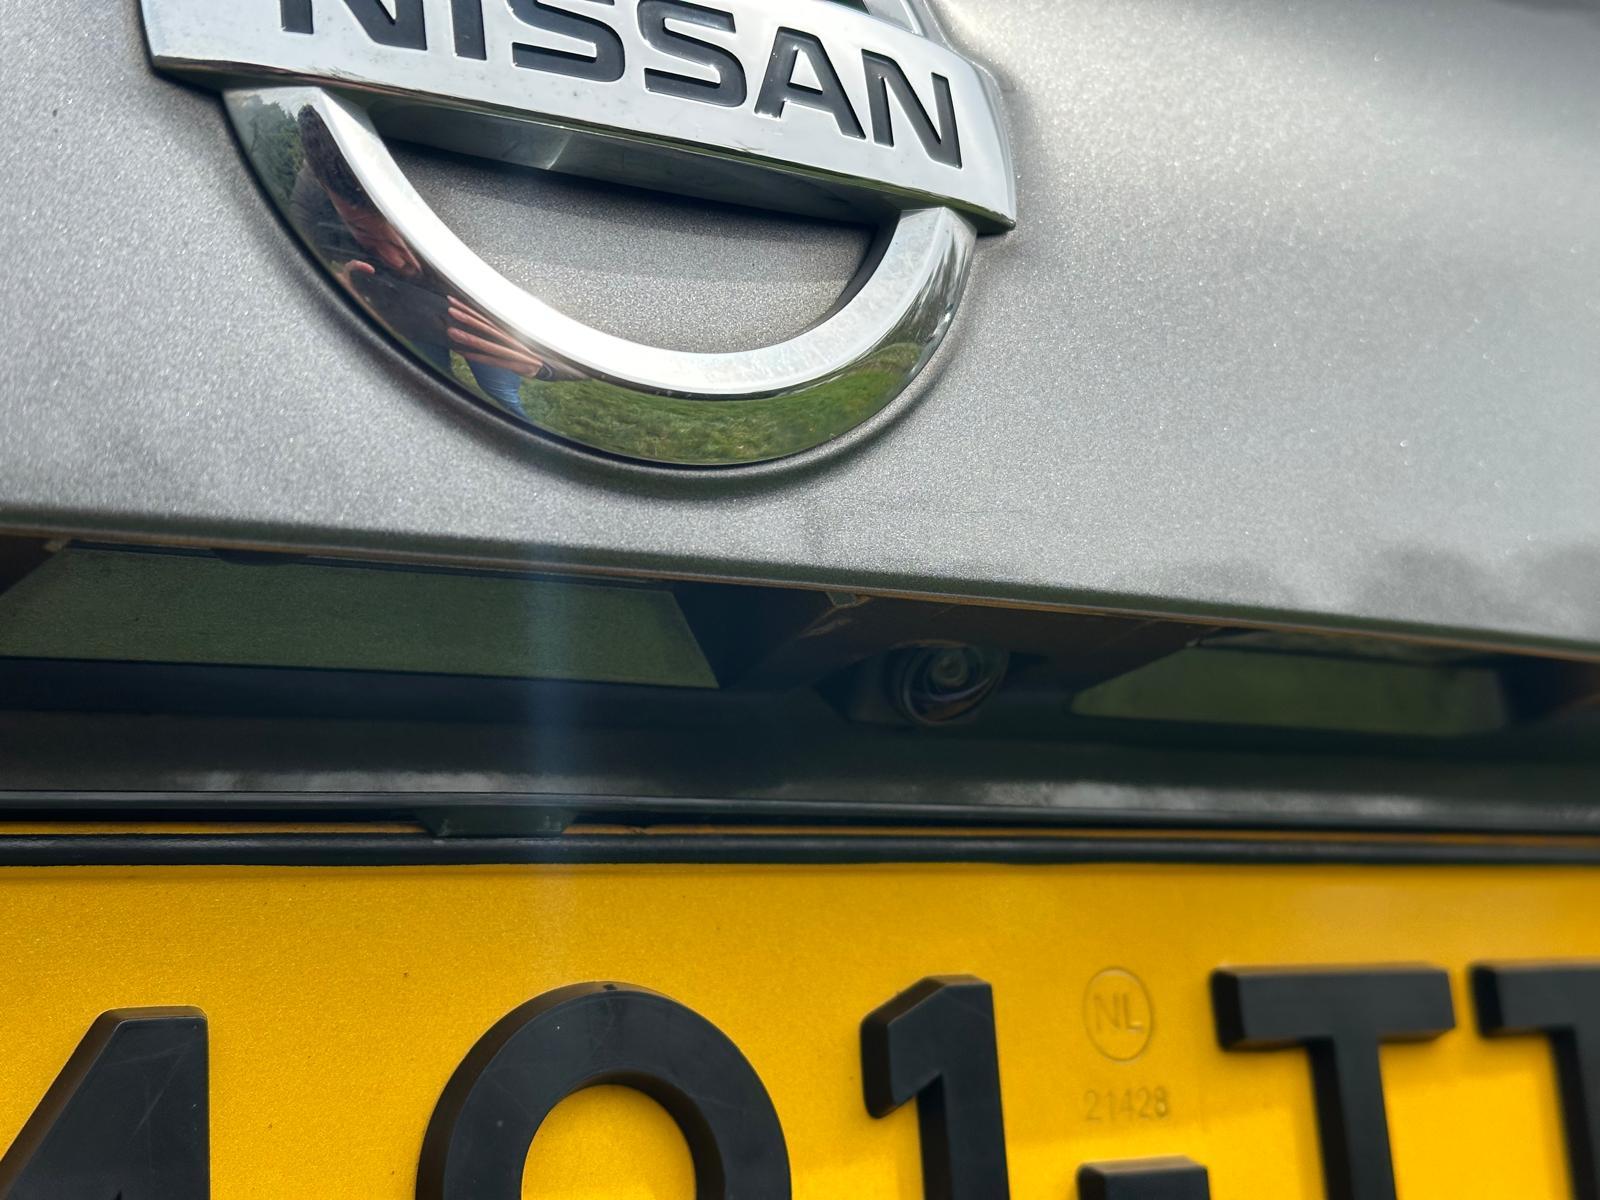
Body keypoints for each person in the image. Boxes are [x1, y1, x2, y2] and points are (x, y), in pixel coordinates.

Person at [288, 106, 551, 417]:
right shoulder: (311, 195)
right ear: (324, 186)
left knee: (501, 392)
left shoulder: (484, 178)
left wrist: (544, 366)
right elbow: (294, 278)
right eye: (362, 230)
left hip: (482, 319)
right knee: (422, 393)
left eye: (408, 234)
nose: (398, 260)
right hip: (405, 316)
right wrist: (334, 293)